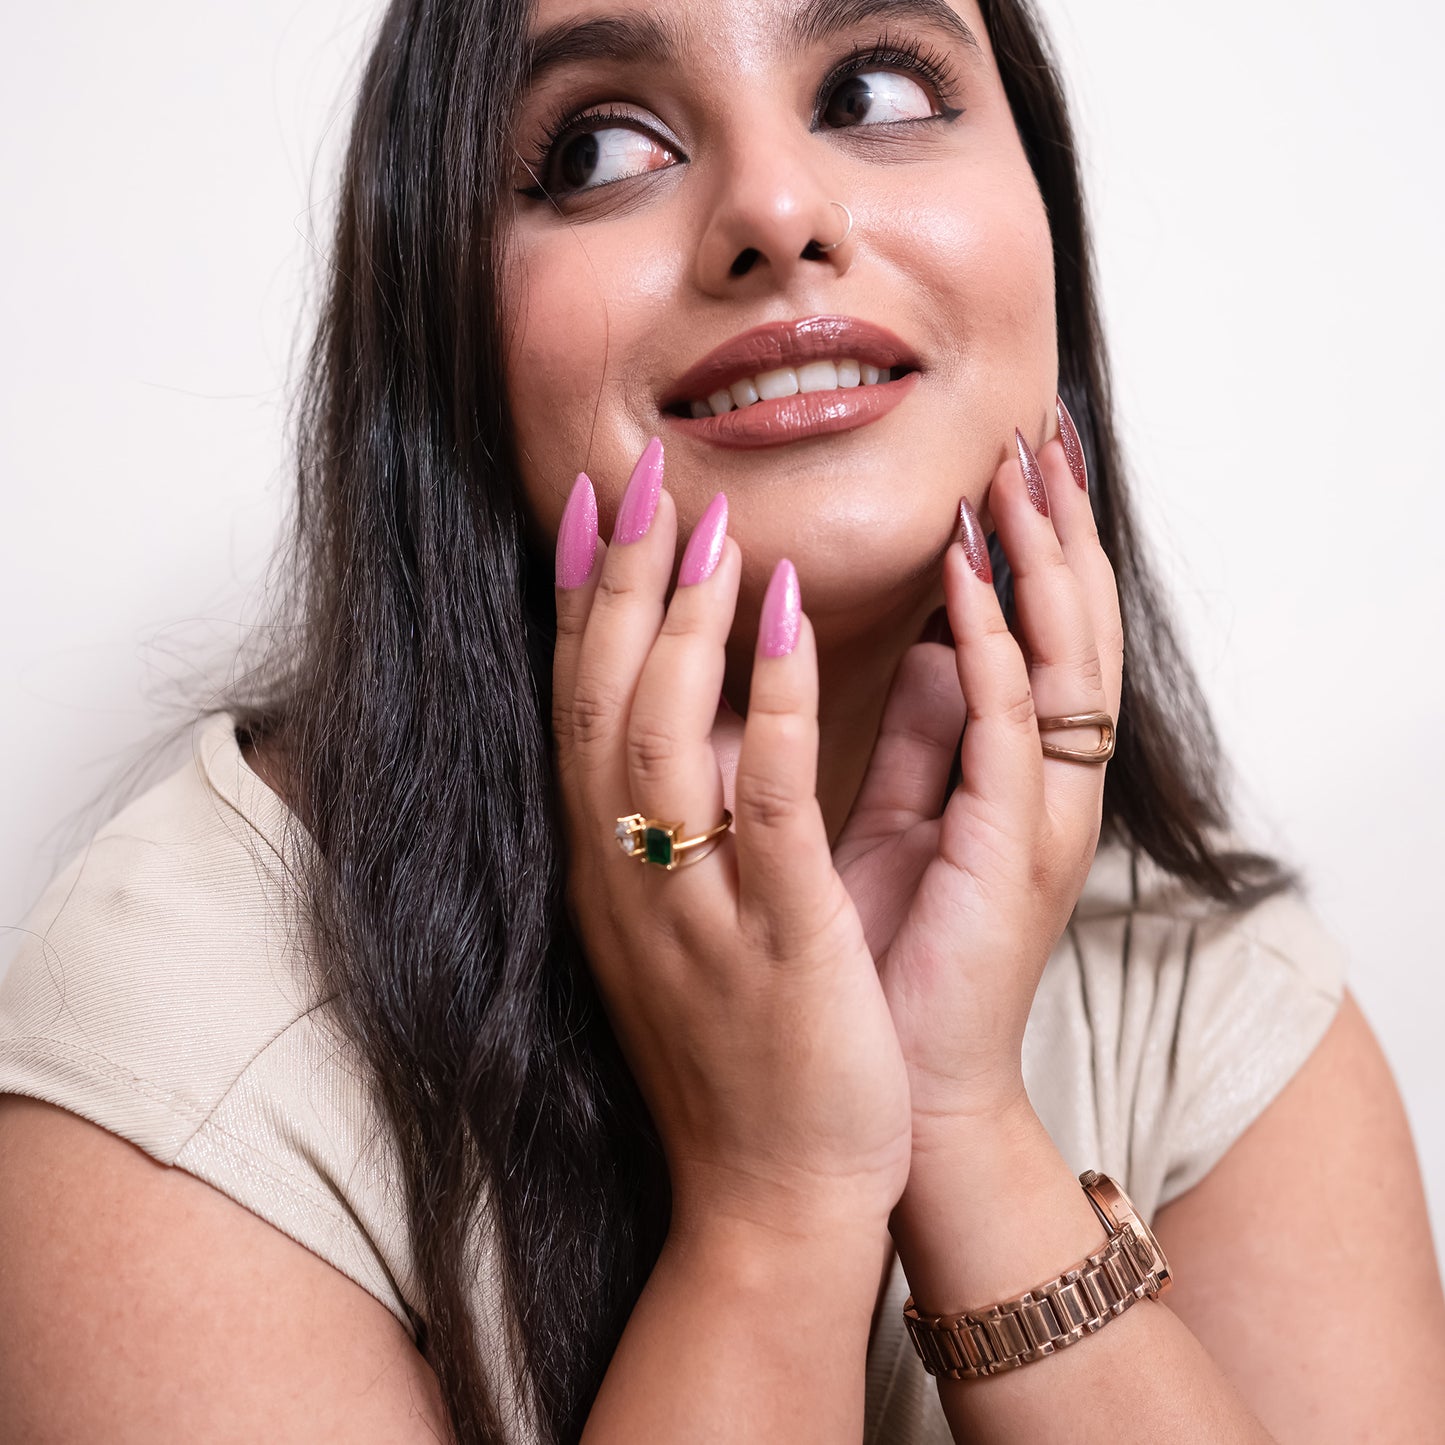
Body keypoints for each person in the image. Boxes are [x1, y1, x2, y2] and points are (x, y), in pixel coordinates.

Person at [1, 0, 1442, 1440]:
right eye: (596, 147)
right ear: (441, 332)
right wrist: (776, 1205)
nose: (772, 208)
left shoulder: (1208, 991)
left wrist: (967, 1133)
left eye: (873, 88)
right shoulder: (176, 1059)